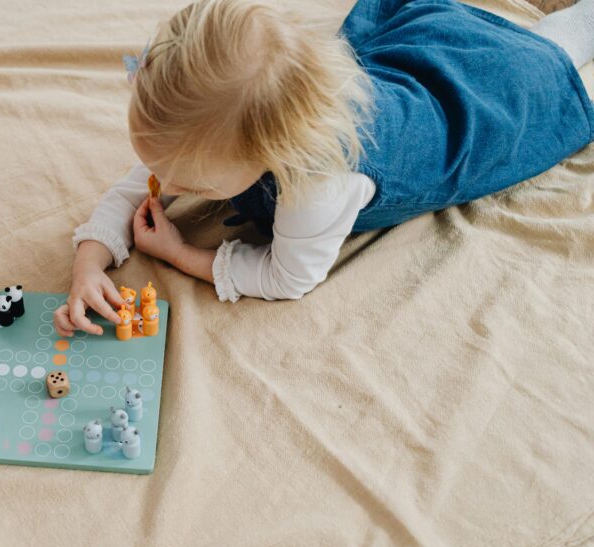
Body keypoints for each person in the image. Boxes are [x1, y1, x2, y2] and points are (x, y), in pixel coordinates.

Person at [54, 0, 594, 336]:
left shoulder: (317, 184)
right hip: (412, 56)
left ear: (272, 152)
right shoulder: (221, 124)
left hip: (465, 108)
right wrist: (90, 261)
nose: (165, 188)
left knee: (543, 58)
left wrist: (179, 253)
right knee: (468, 48)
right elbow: (142, 181)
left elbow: (287, 277)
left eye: (191, 183)